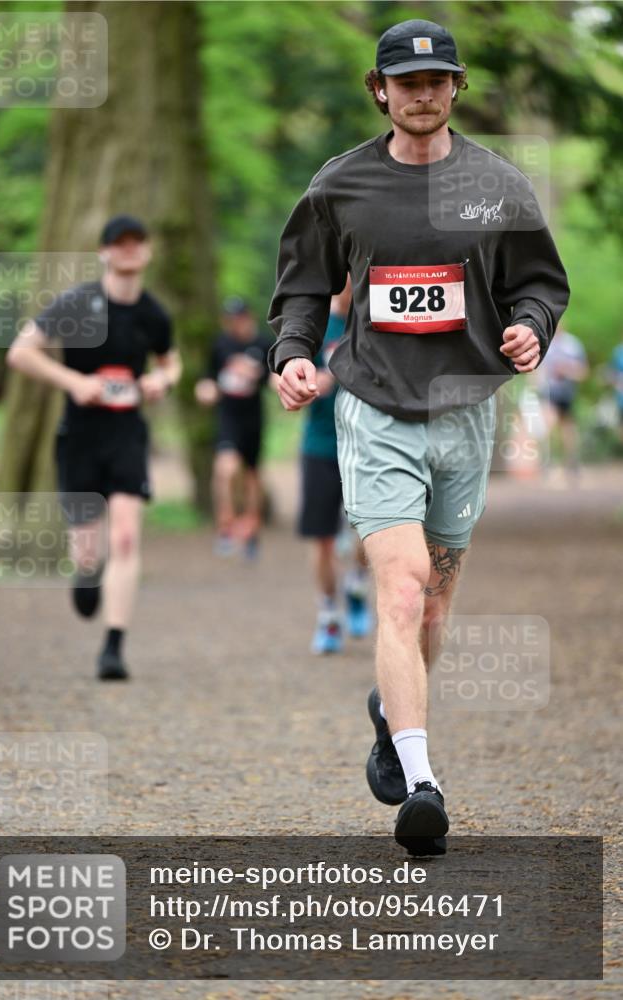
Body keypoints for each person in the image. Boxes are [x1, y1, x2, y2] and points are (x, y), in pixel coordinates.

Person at [269, 19, 569, 854]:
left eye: (437, 81)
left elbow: (539, 283)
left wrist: (530, 327)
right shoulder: (342, 185)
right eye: (407, 83)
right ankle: (421, 783)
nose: (423, 95)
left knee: (433, 604)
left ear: (455, 87)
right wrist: (293, 353)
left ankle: (388, 712)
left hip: (465, 410)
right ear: (380, 90)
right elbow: (302, 285)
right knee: (400, 592)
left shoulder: (496, 184)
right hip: (374, 407)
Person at [7, 214, 181, 681]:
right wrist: (74, 382)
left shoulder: (154, 314)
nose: (129, 249)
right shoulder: (77, 303)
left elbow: (171, 362)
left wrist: (161, 380)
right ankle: (86, 573)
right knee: (87, 552)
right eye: (119, 243)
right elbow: (20, 352)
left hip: (127, 435)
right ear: (104, 252)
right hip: (80, 436)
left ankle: (113, 646)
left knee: (124, 537)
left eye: (137, 242)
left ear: (147, 251)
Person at [297, 278, 372, 654]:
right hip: (321, 446)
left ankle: (357, 583)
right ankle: (328, 614)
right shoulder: (312, 324)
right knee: (322, 538)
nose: (349, 282)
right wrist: (305, 385)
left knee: (369, 531)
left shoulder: (374, 319)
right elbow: (280, 375)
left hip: (367, 445)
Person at [195, 297, 273, 559]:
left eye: (238, 319)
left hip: (253, 417)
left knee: (252, 475)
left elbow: (272, 377)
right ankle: (226, 526)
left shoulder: (263, 344)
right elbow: (208, 377)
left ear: (248, 317)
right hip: (228, 417)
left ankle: (251, 529)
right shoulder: (221, 344)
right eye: (229, 320)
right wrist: (205, 389)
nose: (234, 324)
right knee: (225, 468)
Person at [536, 325, 588, 476]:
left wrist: (567, 370)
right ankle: (547, 462)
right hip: (549, 392)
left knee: (568, 428)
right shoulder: (545, 344)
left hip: (567, 393)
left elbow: (583, 371)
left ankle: (571, 462)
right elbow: (538, 371)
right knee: (549, 425)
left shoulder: (573, 345)